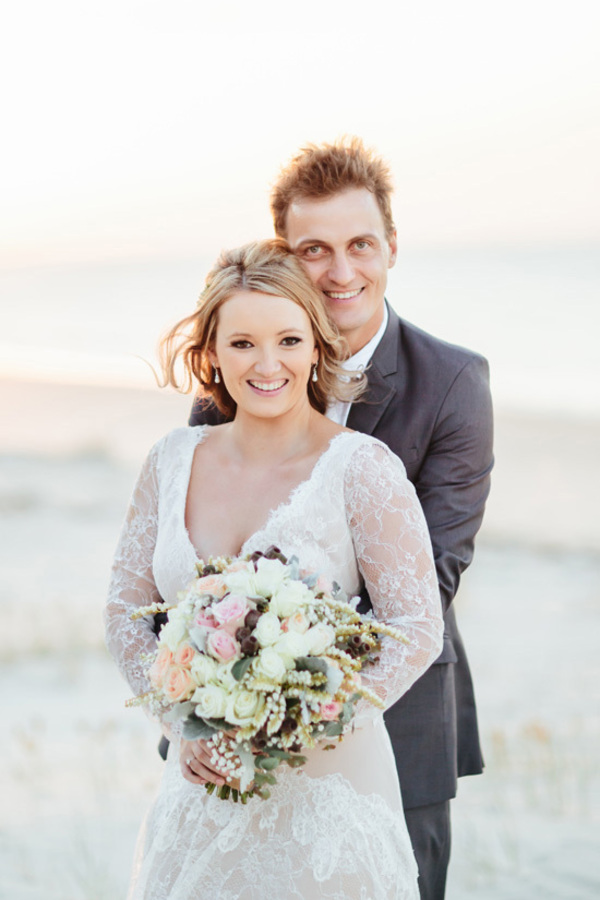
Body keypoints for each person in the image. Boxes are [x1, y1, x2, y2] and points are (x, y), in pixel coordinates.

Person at [189, 139, 494, 900]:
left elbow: (439, 568)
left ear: (391, 246)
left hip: (397, 721)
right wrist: (222, 697)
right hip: (229, 731)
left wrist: (291, 681)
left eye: (361, 244)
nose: (340, 271)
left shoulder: (454, 383)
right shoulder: (236, 376)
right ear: (283, 255)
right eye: (313, 250)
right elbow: (192, 560)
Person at [105, 239, 444, 899]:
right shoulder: (171, 459)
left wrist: (297, 727)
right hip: (199, 786)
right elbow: (126, 612)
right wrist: (181, 727)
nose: (267, 365)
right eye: (242, 344)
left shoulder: (362, 468)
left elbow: (416, 626)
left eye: (288, 340)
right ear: (209, 353)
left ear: (318, 346)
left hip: (327, 797)